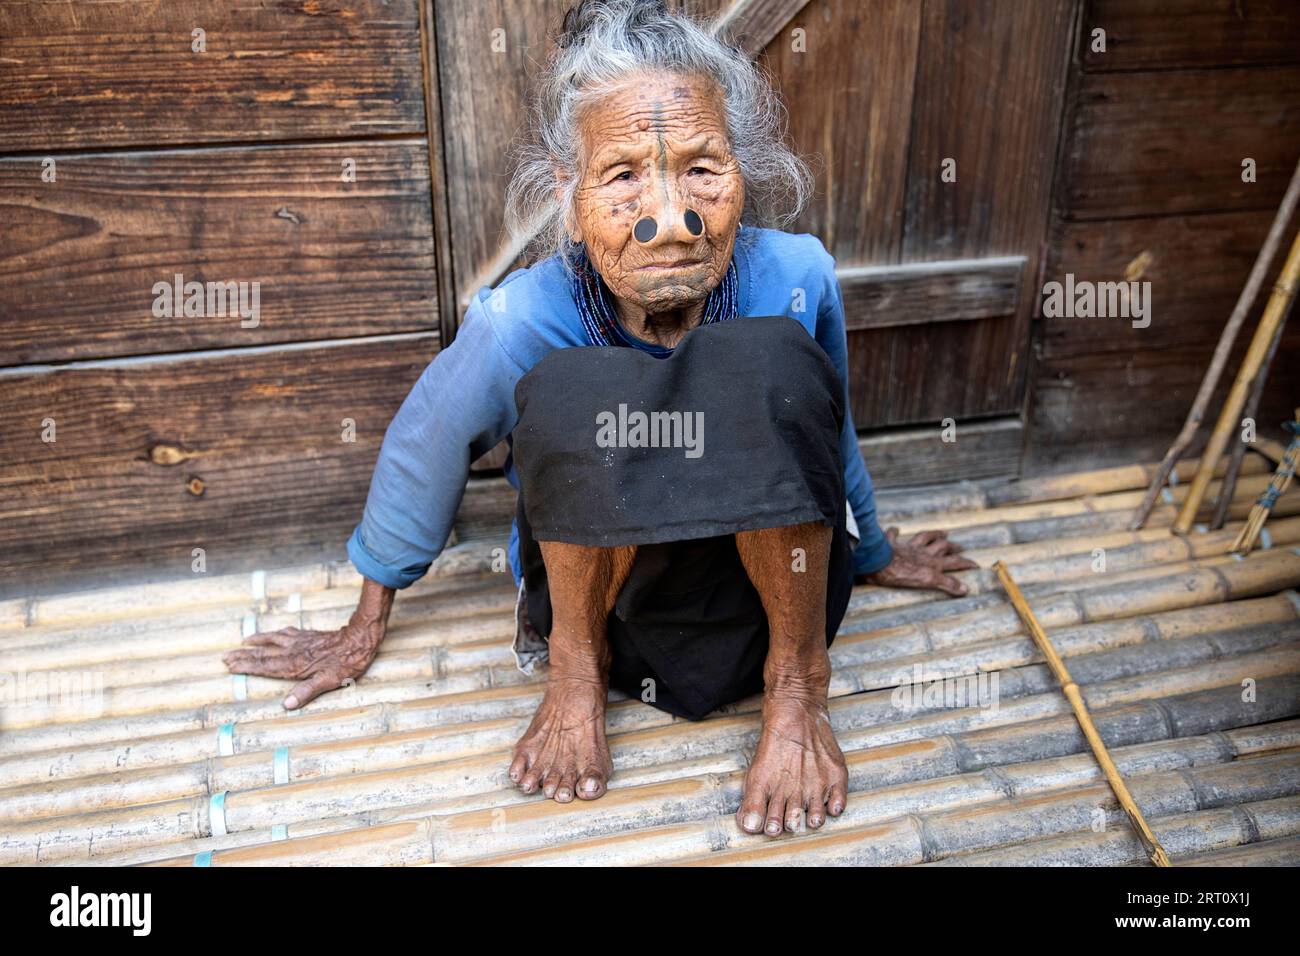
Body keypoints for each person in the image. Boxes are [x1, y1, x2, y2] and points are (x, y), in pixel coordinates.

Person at [225, 0, 975, 838]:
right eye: (623, 177)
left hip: (766, 616)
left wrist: (871, 549)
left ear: (741, 170)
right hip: (606, 622)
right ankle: (574, 685)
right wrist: (363, 627)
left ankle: (799, 697)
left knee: (770, 364)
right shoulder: (520, 320)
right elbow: (424, 446)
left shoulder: (796, 277)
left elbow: (824, 434)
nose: (670, 221)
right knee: (578, 389)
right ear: (568, 193)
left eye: (702, 169)